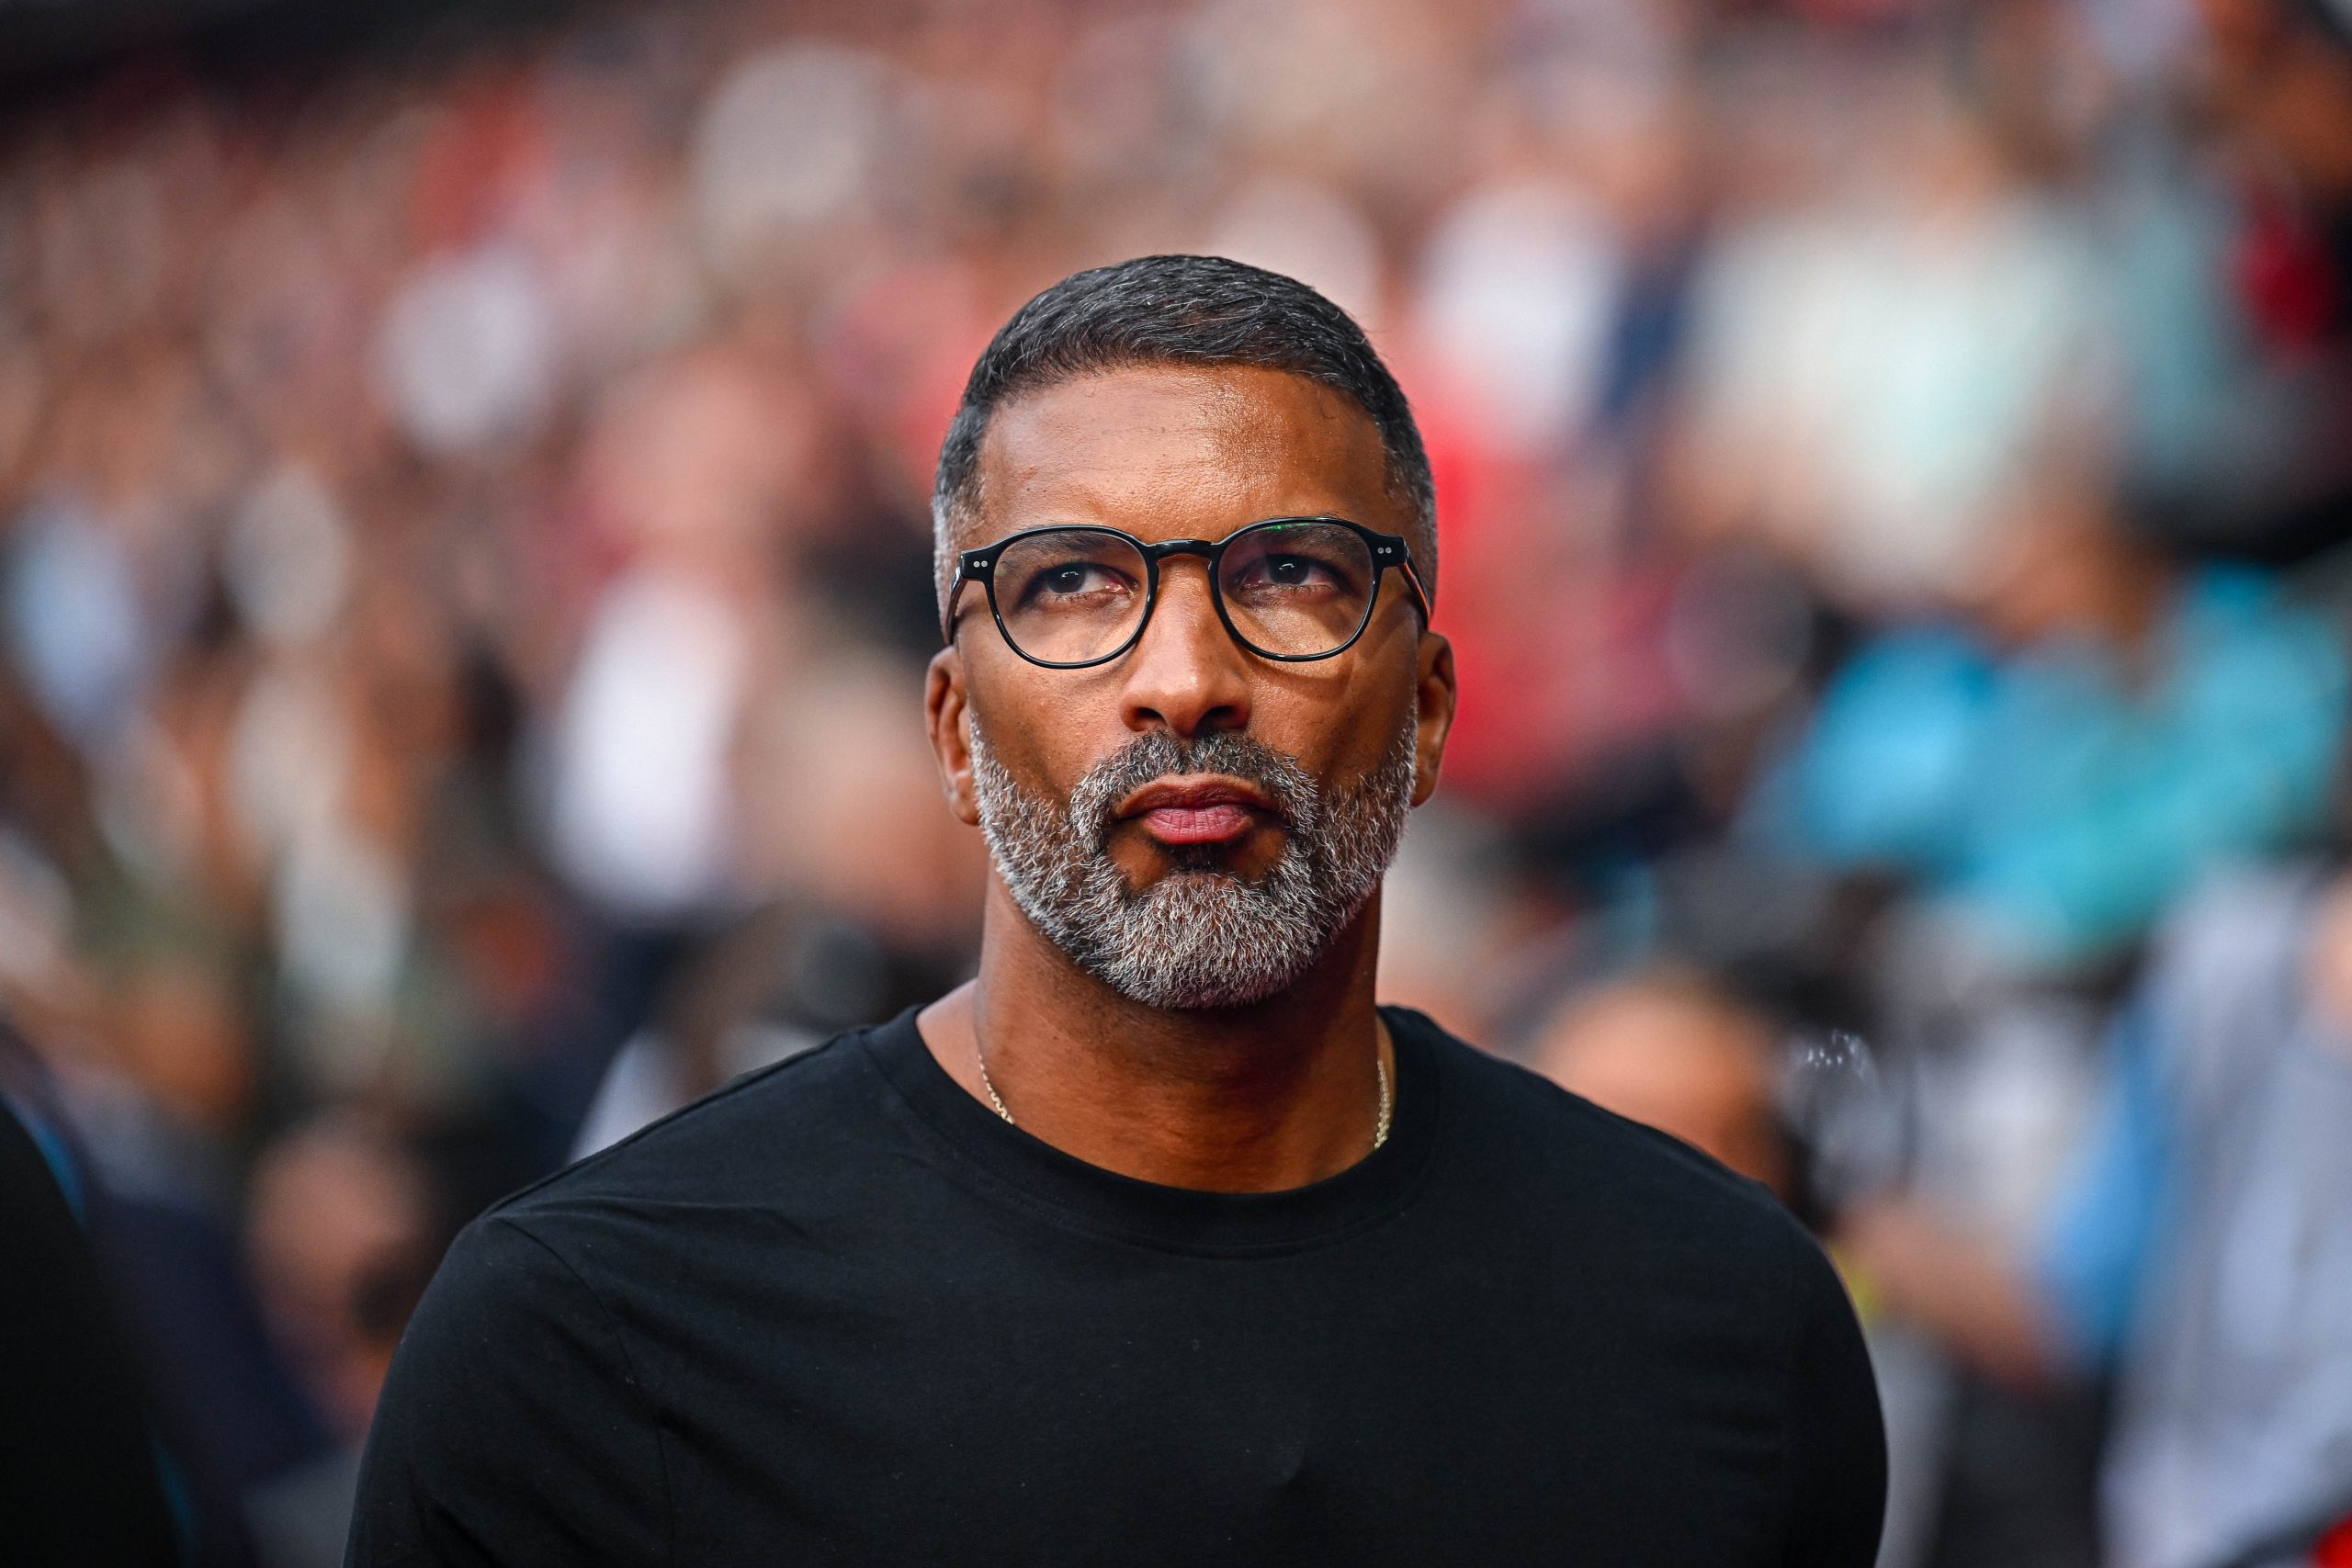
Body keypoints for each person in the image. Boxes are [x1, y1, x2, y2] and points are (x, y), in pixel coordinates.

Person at [347, 255, 1885, 1566]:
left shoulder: (1723, 1326)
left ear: (1426, 714)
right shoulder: (593, 1351)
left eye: (1290, 574)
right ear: (955, 732)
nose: (1185, 678)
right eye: (1073, 584)